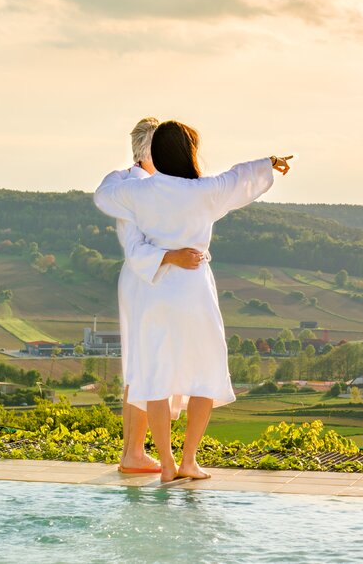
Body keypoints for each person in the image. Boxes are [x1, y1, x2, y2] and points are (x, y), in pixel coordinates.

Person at [94, 121, 291, 481]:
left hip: (154, 292)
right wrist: (269, 163)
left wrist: (130, 172)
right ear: (188, 153)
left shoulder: (139, 192)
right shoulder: (205, 191)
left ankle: (167, 464)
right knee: (205, 372)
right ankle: (189, 460)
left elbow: (104, 195)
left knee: (155, 376)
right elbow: (239, 178)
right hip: (193, 290)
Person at [106, 117, 206, 474]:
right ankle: (133, 452)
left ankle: (133, 451)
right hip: (145, 280)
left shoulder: (131, 184)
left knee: (143, 363)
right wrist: (174, 256)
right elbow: (135, 248)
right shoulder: (139, 188)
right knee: (144, 365)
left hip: (147, 279)